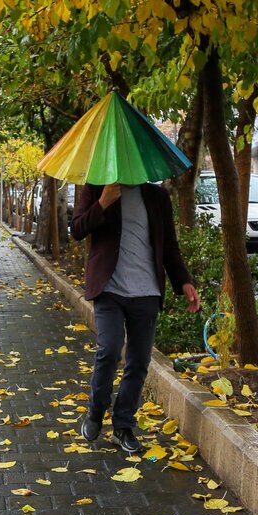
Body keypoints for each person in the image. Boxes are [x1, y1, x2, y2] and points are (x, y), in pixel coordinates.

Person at [71, 182, 200, 453]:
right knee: (109, 350)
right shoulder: (97, 188)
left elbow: (169, 245)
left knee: (139, 361)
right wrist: (103, 203)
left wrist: (184, 281)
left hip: (147, 292)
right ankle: (95, 412)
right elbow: (77, 230)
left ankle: (123, 426)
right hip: (110, 289)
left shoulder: (157, 196)